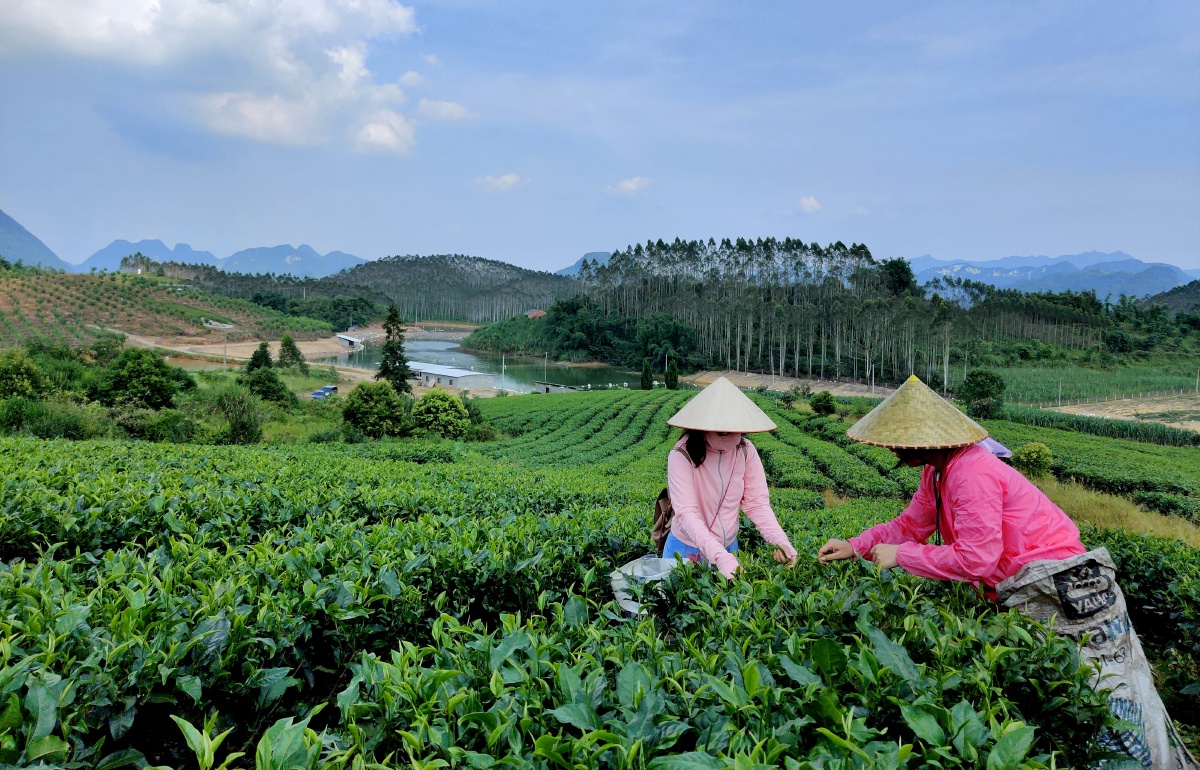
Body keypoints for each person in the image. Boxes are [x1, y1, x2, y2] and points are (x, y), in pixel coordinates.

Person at [818, 375, 1197, 770]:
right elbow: (910, 526)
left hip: (1062, 590)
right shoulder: (936, 473)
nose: (893, 447)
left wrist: (905, 556)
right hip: (1029, 589)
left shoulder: (971, 472)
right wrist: (856, 545)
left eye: (901, 439)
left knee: (1106, 701)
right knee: (1063, 698)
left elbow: (976, 560)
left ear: (925, 440)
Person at [662, 376, 798, 579]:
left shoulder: (745, 450)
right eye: (722, 432)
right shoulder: (682, 455)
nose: (732, 437)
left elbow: (756, 503)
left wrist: (780, 541)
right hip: (686, 548)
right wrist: (721, 558)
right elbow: (687, 514)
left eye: (736, 430)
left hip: (729, 546)